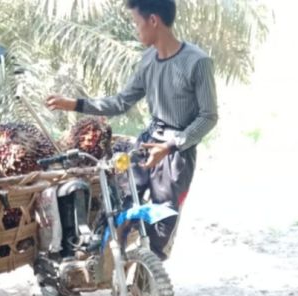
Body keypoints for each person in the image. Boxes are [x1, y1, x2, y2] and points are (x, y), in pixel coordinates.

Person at [45, 0, 218, 259]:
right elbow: (121, 102)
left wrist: (170, 146)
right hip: (148, 143)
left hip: (177, 153)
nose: (136, 30)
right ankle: (107, 261)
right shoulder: (148, 60)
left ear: (153, 21)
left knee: (162, 226)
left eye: (137, 23)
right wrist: (74, 104)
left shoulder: (198, 62)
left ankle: (148, 273)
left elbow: (209, 117)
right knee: (120, 198)